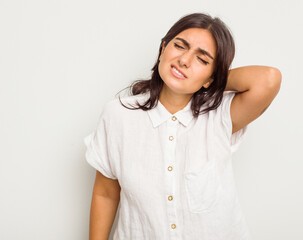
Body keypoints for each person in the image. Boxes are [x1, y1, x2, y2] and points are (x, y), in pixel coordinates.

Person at [84, 12, 281, 240]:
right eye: (180, 46)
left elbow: (268, 79)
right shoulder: (119, 114)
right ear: (163, 49)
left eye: (202, 59)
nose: (185, 60)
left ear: (212, 76)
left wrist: (207, 81)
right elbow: (106, 193)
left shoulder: (219, 115)